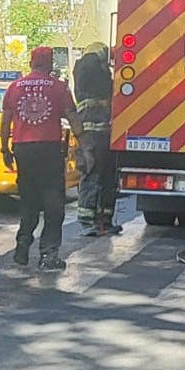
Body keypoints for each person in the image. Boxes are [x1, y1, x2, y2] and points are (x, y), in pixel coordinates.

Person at [1, 47, 82, 271]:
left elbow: (5, 121)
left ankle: (23, 243)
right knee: (53, 203)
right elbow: (73, 118)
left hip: (23, 150)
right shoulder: (59, 87)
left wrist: (5, 150)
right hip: (49, 149)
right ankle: (49, 254)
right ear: (51, 64)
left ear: (31, 62)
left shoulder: (15, 87)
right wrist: (85, 145)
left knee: (29, 199)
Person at [73, 43, 119, 237]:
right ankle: (90, 220)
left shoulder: (83, 70)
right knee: (94, 175)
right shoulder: (92, 69)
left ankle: (101, 220)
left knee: (103, 176)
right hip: (95, 135)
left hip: (99, 133)